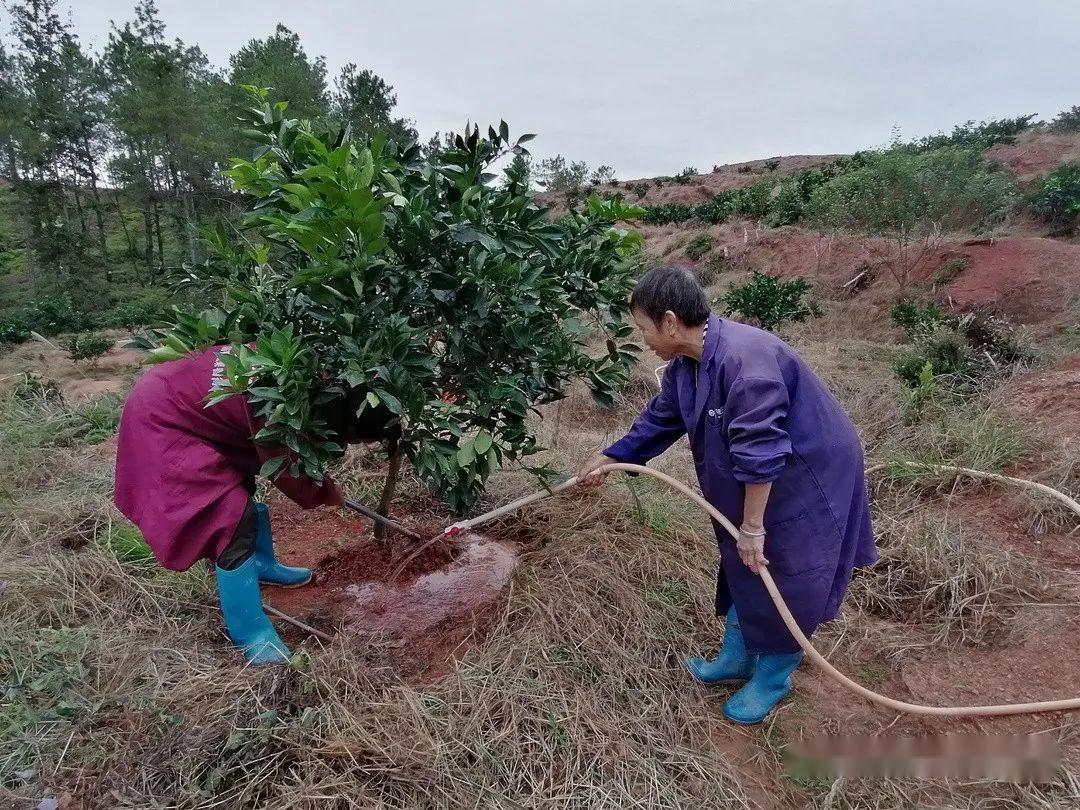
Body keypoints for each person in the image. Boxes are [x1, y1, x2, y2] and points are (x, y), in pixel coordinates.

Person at [578, 266, 877, 724]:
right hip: (762, 473)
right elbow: (661, 418)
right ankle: (737, 658)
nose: (643, 340)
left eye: (643, 328)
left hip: (806, 471)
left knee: (784, 566)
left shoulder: (745, 364)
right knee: (739, 557)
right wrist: (611, 457)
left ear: (671, 321)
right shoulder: (686, 366)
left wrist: (754, 527)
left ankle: (773, 678)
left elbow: (761, 454)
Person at [114, 344, 397, 666]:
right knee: (228, 513)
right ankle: (250, 631)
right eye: (356, 438)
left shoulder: (317, 374)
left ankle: (262, 567)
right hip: (165, 417)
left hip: (188, 404)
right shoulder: (276, 399)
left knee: (238, 488)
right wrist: (321, 491)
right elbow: (282, 465)